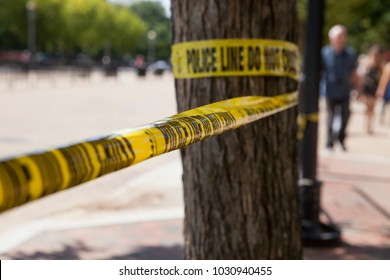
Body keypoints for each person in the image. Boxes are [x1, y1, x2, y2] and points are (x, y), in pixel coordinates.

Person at [321, 25, 358, 151]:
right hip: (329, 90)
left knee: (345, 116)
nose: (340, 39)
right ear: (332, 39)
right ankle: (329, 142)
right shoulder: (325, 53)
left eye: (342, 36)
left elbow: (353, 72)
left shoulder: (350, 54)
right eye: (338, 37)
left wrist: (357, 89)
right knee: (330, 117)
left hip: (344, 90)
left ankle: (341, 140)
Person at [357, 45, 382, 134]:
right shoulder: (367, 62)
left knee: (373, 108)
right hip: (366, 87)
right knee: (367, 106)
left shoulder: (380, 64)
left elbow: (381, 78)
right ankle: (366, 124)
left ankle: (370, 125)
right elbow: (361, 76)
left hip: (374, 87)